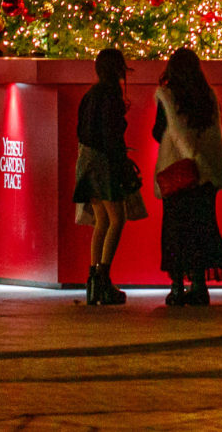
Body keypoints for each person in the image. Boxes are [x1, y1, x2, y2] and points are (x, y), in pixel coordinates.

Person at [152, 47, 222, 306]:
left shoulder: (167, 96)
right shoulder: (207, 95)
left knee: (175, 230)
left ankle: (176, 287)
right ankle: (199, 285)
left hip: (178, 171)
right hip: (206, 174)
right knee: (201, 227)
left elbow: (159, 131)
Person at [73, 47, 134, 308]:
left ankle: (93, 280)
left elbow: (81, 129)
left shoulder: (90, 94)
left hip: (87, 160)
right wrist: (123, 164)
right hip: (104, 161)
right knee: (117, 218)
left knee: (101, 220)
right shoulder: (111, 95)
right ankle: (104, 276)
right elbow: (112, 136)